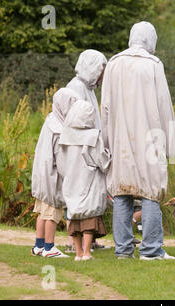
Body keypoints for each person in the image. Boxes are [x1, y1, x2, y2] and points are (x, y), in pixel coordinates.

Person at [101, 21, 175, 260]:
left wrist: (105, 142)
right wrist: (170, 145)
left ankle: (123, 249)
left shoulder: (113, 64)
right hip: (150, 138)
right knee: (151, 191)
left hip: (120, 139)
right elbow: (164, 107)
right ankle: (151, 250)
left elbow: (105, 107)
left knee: (121, 191)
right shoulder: (153, 65)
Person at [65, 49, 109, 253]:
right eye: (101, 70)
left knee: (90, 199)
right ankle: (76, 242)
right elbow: (76, 120)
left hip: (90, 150)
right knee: (80, 198)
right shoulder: (75, 88)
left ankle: (88, 241)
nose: (102, 75)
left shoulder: (88, 89)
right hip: (82, 153)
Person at [56, 100, 111, 261]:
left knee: (74, 217)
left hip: (71, 181)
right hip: (89, 179)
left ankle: (78, 252)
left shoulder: (65, 136)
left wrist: (67, 174)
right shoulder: (94, 136)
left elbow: (60, 162)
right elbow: (102, 159)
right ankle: (87, 252)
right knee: (89, 216)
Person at [31, 88, 80, 258]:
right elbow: (61, 160)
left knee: (42, 212)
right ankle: (49, 247)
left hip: (42, 174)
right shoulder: (59, 130)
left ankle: (39, 245)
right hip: (52, 177)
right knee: (53, 212)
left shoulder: (50, 121)